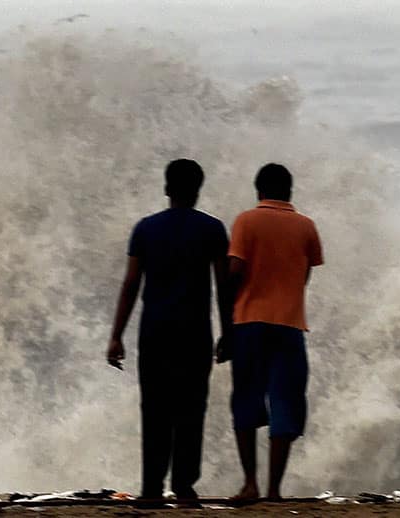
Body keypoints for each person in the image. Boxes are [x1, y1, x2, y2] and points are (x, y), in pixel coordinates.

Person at [106, 159, 229, 501]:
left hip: (155, 332)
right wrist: (229, 332)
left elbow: (131, 284)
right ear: (198, 189)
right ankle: (184, 485)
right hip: (194, 333)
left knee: (156, 408)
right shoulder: (212, 229)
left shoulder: (146, 229)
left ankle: (151, 488)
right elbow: (222, 286)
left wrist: (116, 334)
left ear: (166, 188)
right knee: (191, 408)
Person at [217, 163, 324, 501]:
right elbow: (304, 274)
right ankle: (275, 490)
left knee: (247, 398)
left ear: (259, 190)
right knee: (286, 401)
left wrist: (227, 321)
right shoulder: (306, 226)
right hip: (290, 324)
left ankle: (250, 484)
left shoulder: (246, 221)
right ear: (289, 191)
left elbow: (234, 270)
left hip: (249, 322)